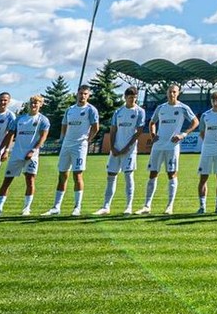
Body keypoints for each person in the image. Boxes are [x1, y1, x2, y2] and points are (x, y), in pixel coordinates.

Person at [136, 83, 198, 215]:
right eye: (170, 91)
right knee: (153, 173)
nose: (172, 94)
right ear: (167, 93)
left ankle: (170, 206)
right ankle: (147, 206)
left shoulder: (183, 108)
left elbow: (195, 122)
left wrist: (183, 134)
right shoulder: (161, 107)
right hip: (158, 146)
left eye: (174, 92)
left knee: (171, 174)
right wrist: (153, 134)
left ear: (178, 93)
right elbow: (152, 122)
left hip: (172, 146)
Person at [44, 85, 100, 216]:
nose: (82, 96)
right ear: (77, 94)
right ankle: (56, 207)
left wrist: (87, 140)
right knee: (62, 175)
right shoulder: (70, 109)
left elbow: (95, 127)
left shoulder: (91, 110)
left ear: (88, 95)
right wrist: (63, 138)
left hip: (79, 146)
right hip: (66, 145)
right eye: (81, 93)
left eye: (85, 94)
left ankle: (77, 207)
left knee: (77, 175)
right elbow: (64, 124)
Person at [0, 95, 50, 216]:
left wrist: (33, 150)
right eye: (32, 102)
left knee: (30, 180)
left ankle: (26, 208)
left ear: (41, 105)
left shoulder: (43, 120)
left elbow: (43, 137)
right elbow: (10, 135)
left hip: (32, 155)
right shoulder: (19, 119)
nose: (33, 105)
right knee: (7, 181)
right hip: (16, 154)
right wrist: (2, 150)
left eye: (36, 103)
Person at [94, 87, 146, 215]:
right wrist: (112, 147)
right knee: (111, 176)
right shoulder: (118, 112)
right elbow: (113, 130)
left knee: (128, 176)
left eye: (134, 97)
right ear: (125, 97)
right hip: (116, 149)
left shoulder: (140, 112)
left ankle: (128, 206)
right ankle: (106, 206)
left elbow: (139, 131)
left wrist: (127, 147)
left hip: (129, 150)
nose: (132, 99)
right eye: (130, 97)